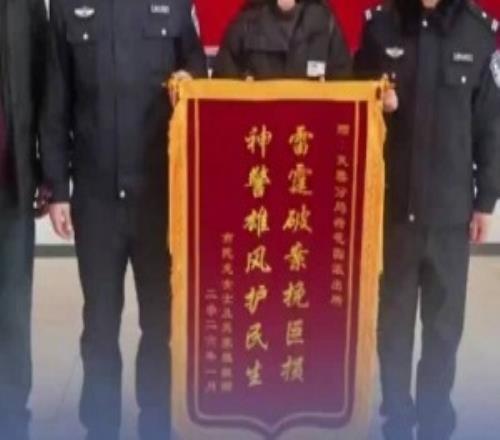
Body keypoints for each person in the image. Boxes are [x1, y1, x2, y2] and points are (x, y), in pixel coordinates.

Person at [40, 1, 206, 439]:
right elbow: (56, 100)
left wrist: (190, 80)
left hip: (158, 198)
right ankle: (100, 428)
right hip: (96, 200)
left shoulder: (176, 5)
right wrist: (58, 187)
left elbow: (196, 70)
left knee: (159, 324)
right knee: (99, 327)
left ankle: (156, 424)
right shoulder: (68, 8)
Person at [355, 0, 500, 439]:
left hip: (449, 215)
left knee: (443, 329)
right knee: (393, 329)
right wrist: (377, 105)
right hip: (394, 213)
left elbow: (491, 126)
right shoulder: (381, 28)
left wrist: (486, 201)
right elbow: (352, 113)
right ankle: (397, 420)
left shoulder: (476, 33)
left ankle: (435, 421)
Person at [0, 1, 47, 439]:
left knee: (13, 307)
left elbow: (44, 82)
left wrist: (48, 173)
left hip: (9, 181)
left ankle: (14, 414)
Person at [213, 0, 351, 79]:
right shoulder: (245, 23)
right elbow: (221, 92)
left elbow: (345, 89)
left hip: (310, 119)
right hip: (259, 119)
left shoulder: (326, 23)